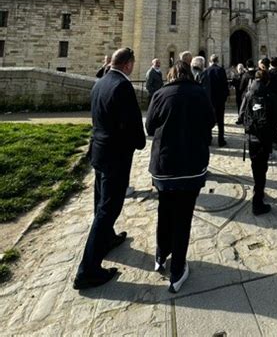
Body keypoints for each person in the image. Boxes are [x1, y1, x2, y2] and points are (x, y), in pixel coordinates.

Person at [73, 48, 146, 290]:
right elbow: (132, 121)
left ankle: (107, 238)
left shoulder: (101, 82)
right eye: (132, 64)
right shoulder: (122, 87)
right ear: (127, 65)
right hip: (115, 155)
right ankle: (88, 270)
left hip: (100, 152)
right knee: (108, 208)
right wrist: (139, 142)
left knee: (100, 201)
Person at [146, 60, 214, 293]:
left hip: (164, 167)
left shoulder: (160, 94)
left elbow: (150, 127)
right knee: (183, 217)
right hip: (191, 165)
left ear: (170, 74)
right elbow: (211, 122)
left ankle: (160, 255)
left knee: (164, 211)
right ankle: (177, 271)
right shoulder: (200, 93)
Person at [239, 69, 276, 215]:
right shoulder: (270, 95)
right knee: (263, 166)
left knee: (256, 166)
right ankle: (257, 199)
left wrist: (248, 126)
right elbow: (275, 118)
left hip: (252, 137)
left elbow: (241, 115)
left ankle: (258, 190)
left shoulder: (248, 94)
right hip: (265, 138)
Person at [205, 54, 229, 146]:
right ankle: (221, 140)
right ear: (217, 61)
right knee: (220, 120)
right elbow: (225, 85)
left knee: (209, 119)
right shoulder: (221, 70)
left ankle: (209, 139)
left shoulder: (207, 71)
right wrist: (225, 97)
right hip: (219, 100)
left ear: (210, 61)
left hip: (210, 99)